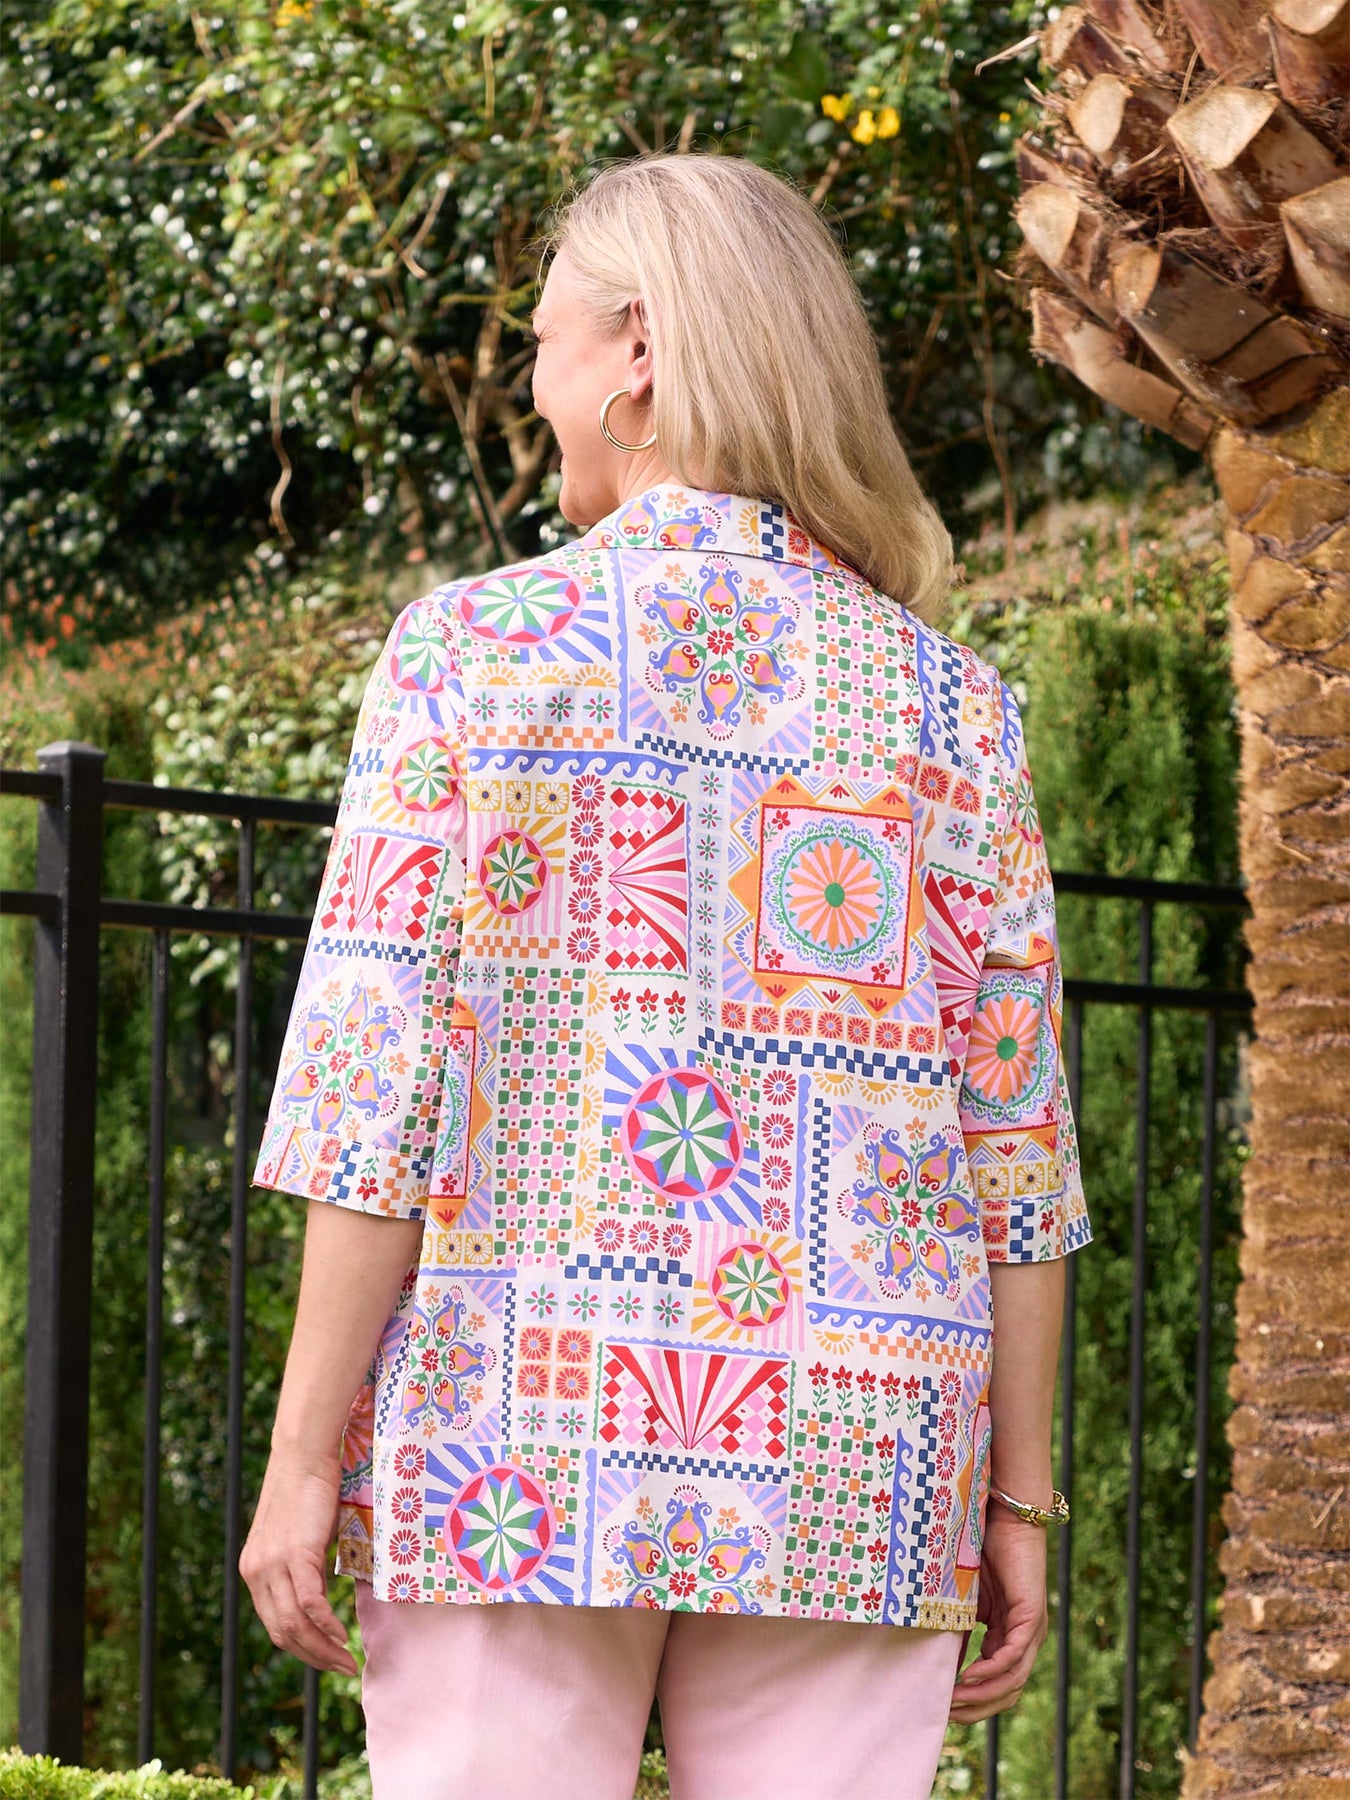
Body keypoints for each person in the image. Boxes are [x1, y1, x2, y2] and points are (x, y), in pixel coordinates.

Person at [241, 151, 1093, 1800]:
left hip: (513, 1427)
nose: (531, 390)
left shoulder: (471, 657)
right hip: (855, 1445)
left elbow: (373, 1103)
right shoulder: (950, 709)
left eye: (543, 343)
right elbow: (1015, 1148)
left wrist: (299, 1457)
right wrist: (1016, 1496)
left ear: (636, 350)